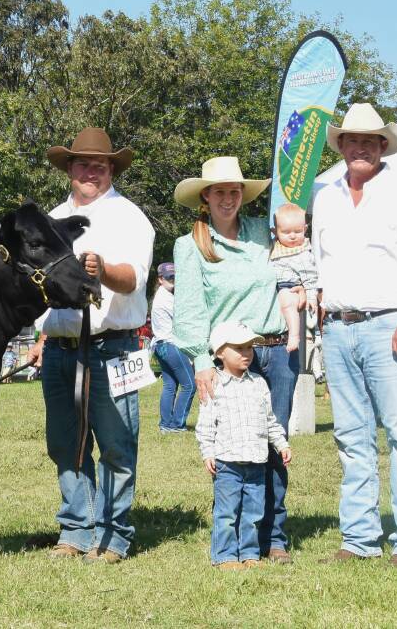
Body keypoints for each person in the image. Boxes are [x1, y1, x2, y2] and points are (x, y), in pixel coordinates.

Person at [311, 102, 397, 568]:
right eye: (352, 140)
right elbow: (318, 262)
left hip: (392, 324)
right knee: (351, 437)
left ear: (383, 146)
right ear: (342, 146)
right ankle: (359, 539)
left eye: (370, 140)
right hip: (338, 327)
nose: (360, 147)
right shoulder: (324, 194)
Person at [26, 127, 155, 565]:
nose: (91, 172)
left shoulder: (130, 217)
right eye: (83, 164)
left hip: (113, 347)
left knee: (117, 445)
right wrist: (44, 337)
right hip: (62, 347)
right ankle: (76, 528)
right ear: (69, 169)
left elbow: (134, 277)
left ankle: (115, 535)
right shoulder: (49, 220)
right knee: (66, 444)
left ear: (112, 170)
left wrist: (101, 271)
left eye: (100, 165)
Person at [172, 155, 298, 564]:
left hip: (275, 350)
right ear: (205, 197)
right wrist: (200, 360)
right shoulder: (191, 245)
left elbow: (300, 240)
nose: (227, 198)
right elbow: (189, 308)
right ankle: (231, 536)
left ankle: (272, 537)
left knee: (272, 445)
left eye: (234, 191)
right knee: (230, 448)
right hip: (226, 358)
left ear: (242, 195)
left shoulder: (264, 232)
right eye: (219, 191)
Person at [195, 321, 292, 571]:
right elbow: (205, 425)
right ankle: (225, 555)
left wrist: (281, 444)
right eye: (239, 348)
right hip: (228, 463)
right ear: (219, 353)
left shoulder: (258, 383)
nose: (247, 353)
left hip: (257, 463)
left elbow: (270, 420)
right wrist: (208, 453)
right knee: (227, 514)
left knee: (253, 513)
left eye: (249, 347)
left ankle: (250, 554)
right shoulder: (214, 384)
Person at [150, 262, 195, 433]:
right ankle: (177, 424)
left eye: (176, 276)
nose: (174, 280)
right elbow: (183, 319)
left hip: (161, 345)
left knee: (170, 385)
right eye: (170, 277)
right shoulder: (165, 298)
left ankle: (165, 424)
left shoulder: (163, 295)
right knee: (189, 385)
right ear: (160, 279)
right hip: (170, 345)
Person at [269, 203, 318, 353]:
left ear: (305, 229)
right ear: (275, 231)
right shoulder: (274, 246)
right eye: (286, 232)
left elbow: (310, 278)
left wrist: (311, 297)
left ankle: (294, 335)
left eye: (298, 231)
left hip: (290, 287)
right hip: (274, 287)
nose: (292, 236)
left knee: (287, 303)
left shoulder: (303, 253)